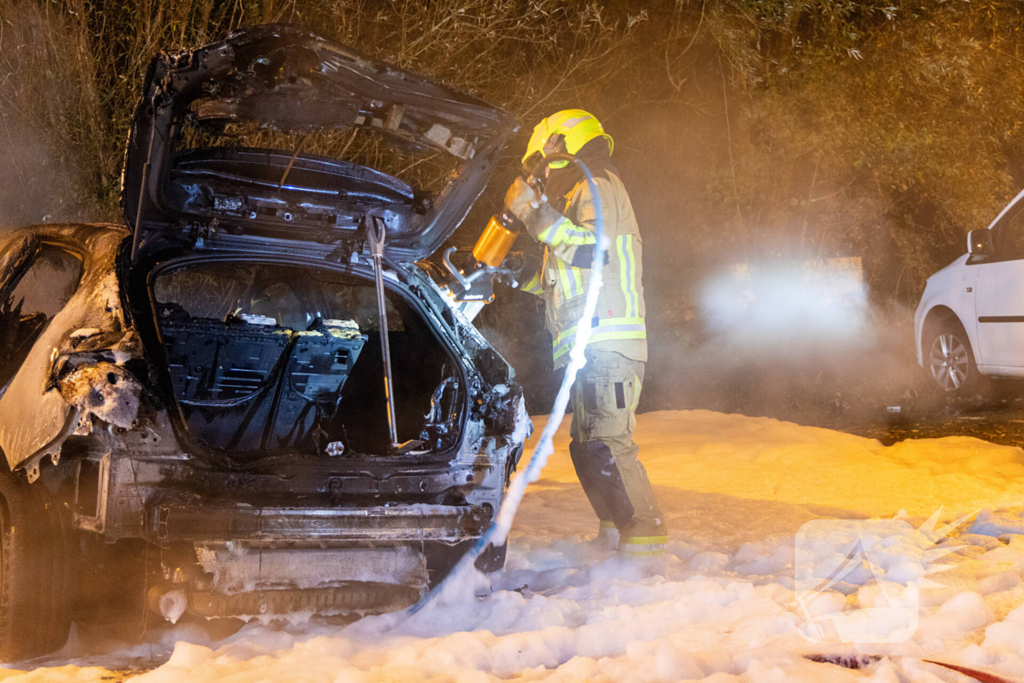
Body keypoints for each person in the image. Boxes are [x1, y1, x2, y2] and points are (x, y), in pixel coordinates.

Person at [504, 109, 666, 562]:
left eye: (546, 156)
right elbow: (560, 276)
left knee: (608, 443)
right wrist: (514, 273)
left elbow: (592, 252)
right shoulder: (582, 192)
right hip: (591, 345)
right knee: (589, 448)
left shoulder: (598, 184)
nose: (544, 166)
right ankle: (617, 539)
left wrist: (534, 214)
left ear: (563, 143)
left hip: (609, 337)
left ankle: (646, 543)